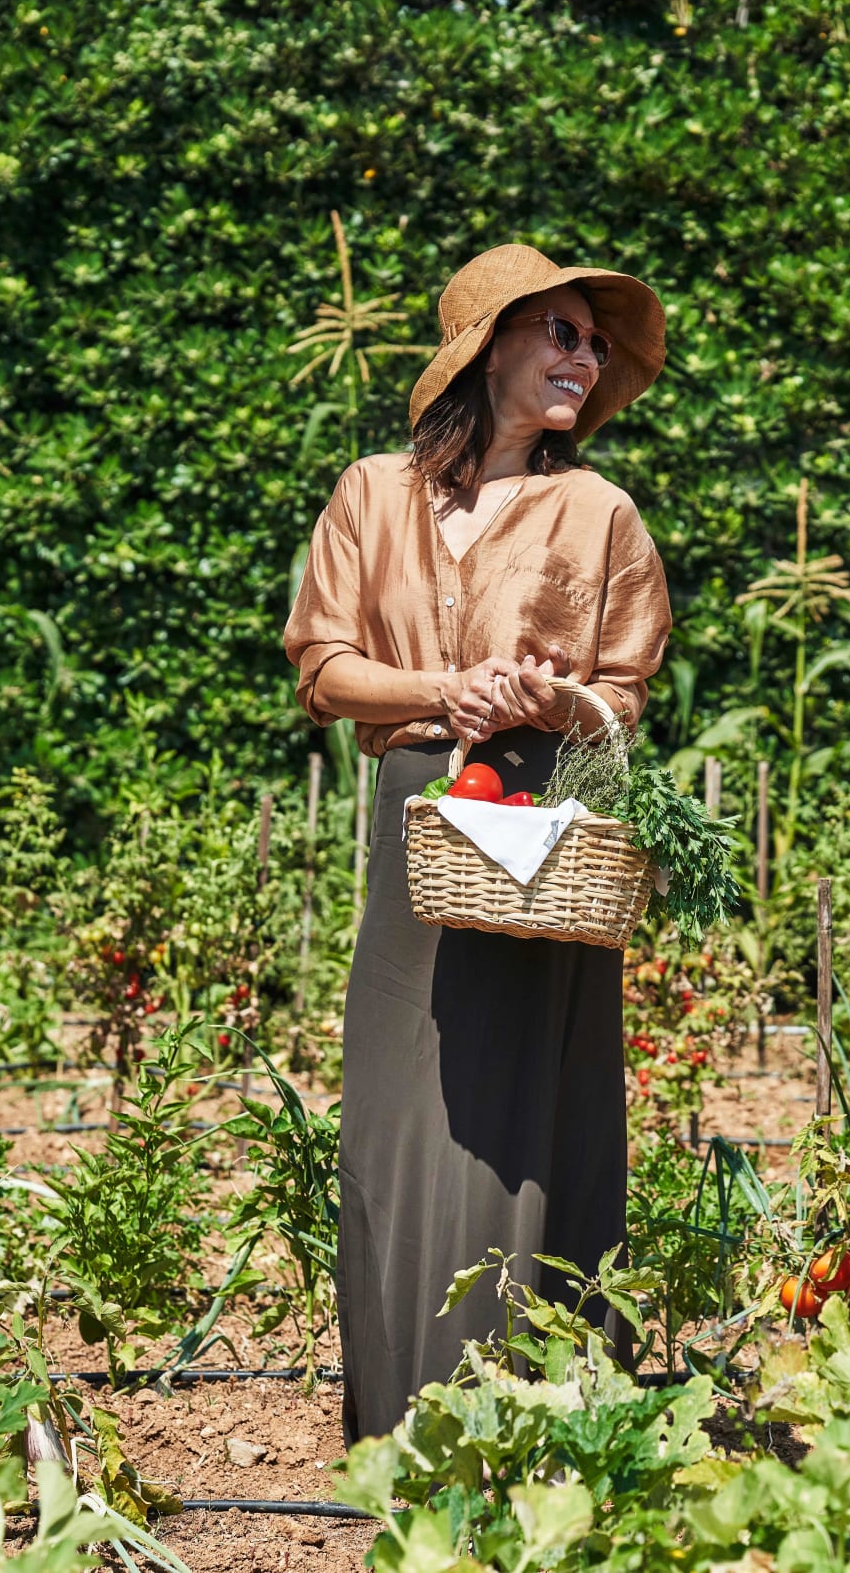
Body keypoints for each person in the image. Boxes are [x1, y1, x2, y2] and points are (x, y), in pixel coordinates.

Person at [283, 243, 671, 1442]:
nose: (585, 357)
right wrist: (444, 690)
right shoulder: (371, 495)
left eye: (596, 344)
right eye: (562, 332)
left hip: (543, 825)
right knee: (402, 1112)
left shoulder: (600, 512)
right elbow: (323, 670)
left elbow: (628, 695)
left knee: (530, 1118)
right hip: (422, 813)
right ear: (487, 347)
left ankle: (544, 1415)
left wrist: (555, 702)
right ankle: (404, 1421)